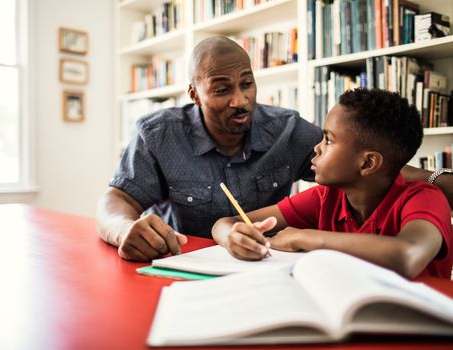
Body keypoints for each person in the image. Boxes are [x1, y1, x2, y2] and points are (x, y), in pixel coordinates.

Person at [96, 36, 323, 261]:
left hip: (266, 264)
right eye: (222, 90)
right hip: (183, 266)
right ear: (194, 94)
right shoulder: (159, 135)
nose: (240, 101)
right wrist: (124, 229)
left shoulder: (287, 130)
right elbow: (117, 200)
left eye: (246, 84)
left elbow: (350, 169)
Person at [212, 88, 452, 279]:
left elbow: (407, 255)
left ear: (368, 163)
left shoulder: (424, 198)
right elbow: (227, 223)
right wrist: (231, 237)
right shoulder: (327, 198)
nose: (316, 148)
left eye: (328, 140)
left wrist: (304, 238)